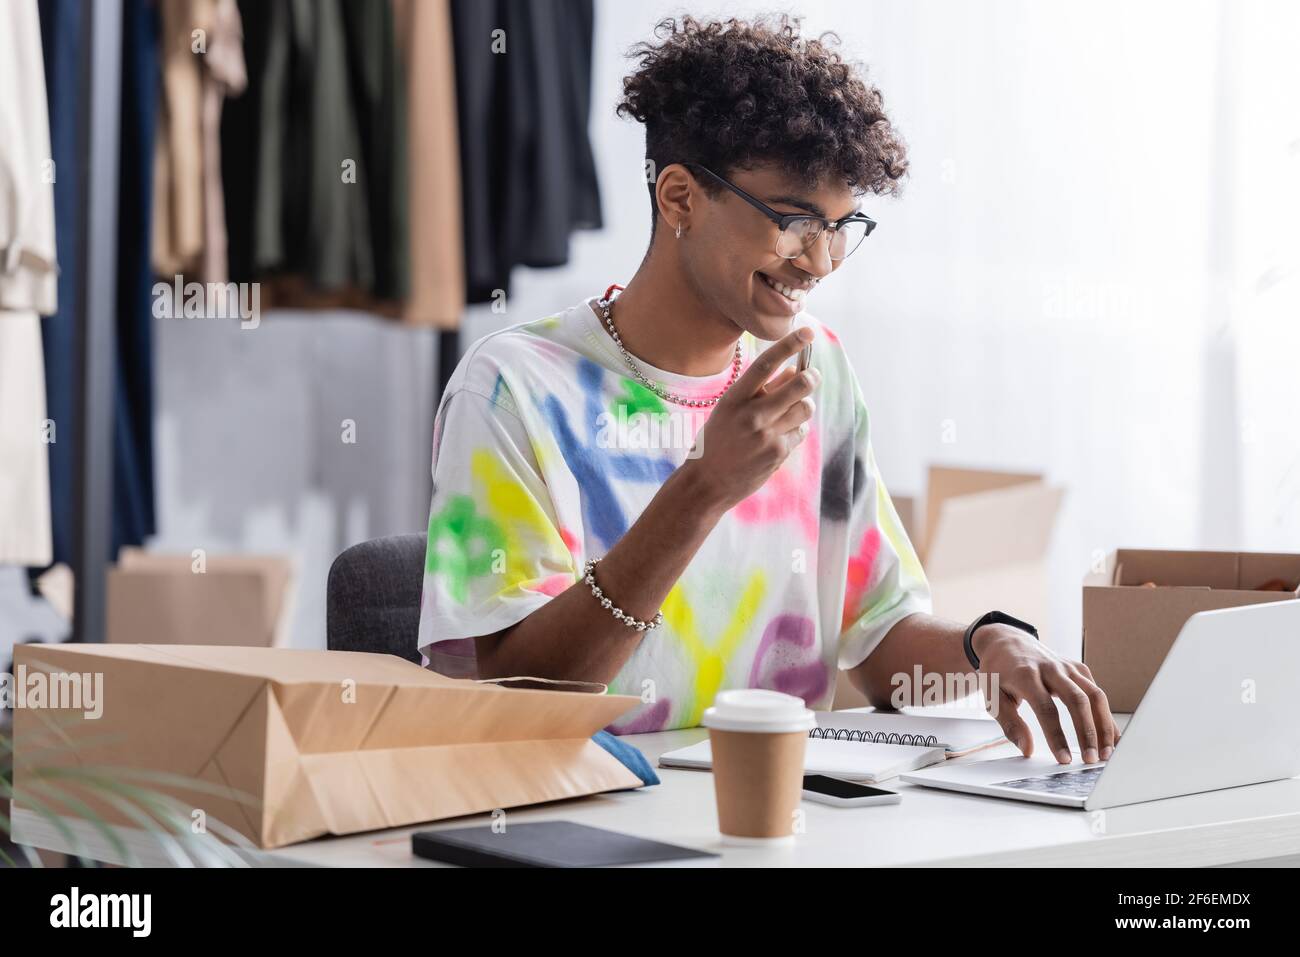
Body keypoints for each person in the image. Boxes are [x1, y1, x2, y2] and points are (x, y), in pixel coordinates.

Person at [417, 13, 1118, 765]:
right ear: (680, 199)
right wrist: (703, 487)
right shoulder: (513, 389)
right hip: (584, 811)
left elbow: (879, 647)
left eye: (844, 225)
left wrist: (990, 643)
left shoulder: (815, 370)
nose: (821, 260)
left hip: (775, 815)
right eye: (792, 219)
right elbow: (526, 695)